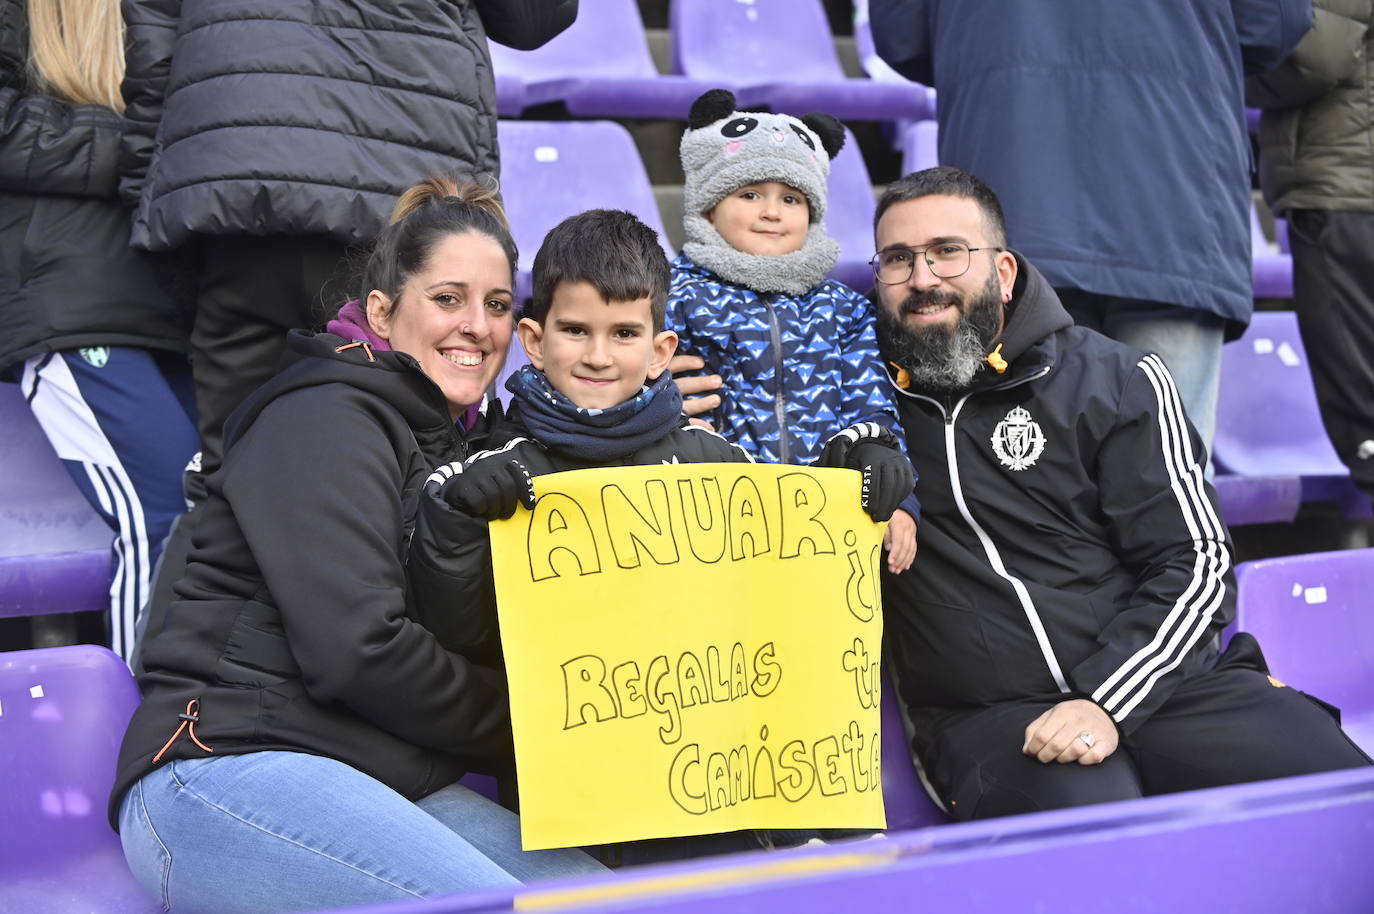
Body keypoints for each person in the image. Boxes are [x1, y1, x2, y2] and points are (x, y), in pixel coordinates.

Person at [109, 179, 606, 914]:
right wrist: (541, 724)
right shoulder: (324, 413)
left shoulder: (468, 442)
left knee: (617, 900)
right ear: (382, 309)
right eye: (447, 298)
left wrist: (646, 411)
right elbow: (360, 649)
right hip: (219, 771)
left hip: (374, 775)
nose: (477, 325)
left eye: (497, 305)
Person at [411, 208, 914, 863]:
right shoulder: (497, 473)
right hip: (588, 826)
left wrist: (853, 480)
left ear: (660, 351)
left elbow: (787, 609)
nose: (598, 354)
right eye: (575, 330)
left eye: (624, 332)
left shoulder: (716, 460)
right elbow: (459, 638)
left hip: (728, 806)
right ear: (534, 340)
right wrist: (453, 527)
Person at [871, 166, 1371, 821]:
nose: (923, 278)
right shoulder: (858, 393)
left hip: (1161, 687)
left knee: (1342, 788)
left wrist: (1107, 699)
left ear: (1004, 273)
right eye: (898, 259)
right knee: (1105, 833)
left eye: (947, 252)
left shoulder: (1117, 379)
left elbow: (1194, 560)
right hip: (990, 718)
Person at [119, 0, 578, 483]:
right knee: (410, 477)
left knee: (230, 475)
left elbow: (153, 41)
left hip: (235, 191)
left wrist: (149, 195)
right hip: (397, 193)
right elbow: (537, 17)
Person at [868, 0, 1313, 455]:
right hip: (1176, 201)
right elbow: (1274, 24)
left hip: (1016, 187)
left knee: (1029, 481)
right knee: (1173, 470)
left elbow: (903, 34)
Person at [0, 0, 198, 661]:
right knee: (164, 516)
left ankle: (206, 739)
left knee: (217, 513)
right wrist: (141, 146)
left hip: (179, 293)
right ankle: (152, 745)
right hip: (72, 297)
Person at [667, 88, 920, 574]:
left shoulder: (843, 309)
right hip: (708, 528)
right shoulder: (672, 295)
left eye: (791, 198)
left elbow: (872, 408)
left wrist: (899, 497)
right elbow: (629, 381)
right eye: (749, 193)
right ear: (707, 208)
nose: (772, 211)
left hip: (823, 531)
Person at [1248, 0, 1374, 500]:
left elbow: (1312, 57)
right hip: (1350, 186)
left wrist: (1215, 73)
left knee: (1363, 408)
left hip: (1345, 188)